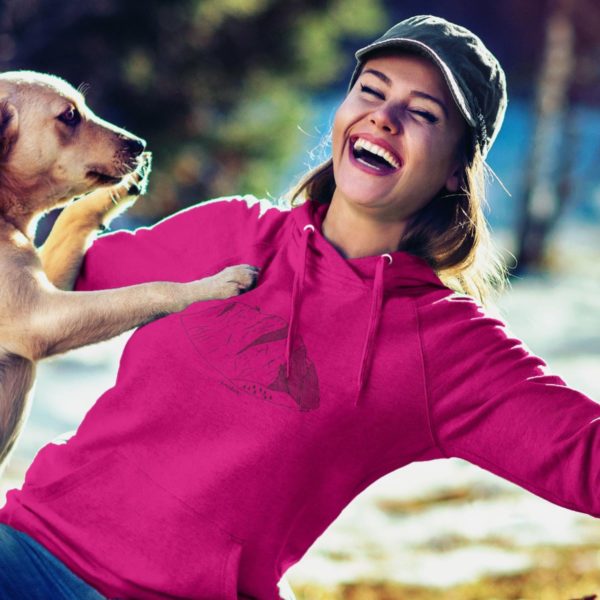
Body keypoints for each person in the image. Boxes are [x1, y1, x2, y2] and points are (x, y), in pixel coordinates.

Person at [1, 14, 598, 600]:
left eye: (421, 113)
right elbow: (56, 299)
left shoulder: (442, 343)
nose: (383, 118)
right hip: (25, 549)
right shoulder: (231, 229)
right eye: (371, 91)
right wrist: (81, 215)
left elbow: (584, 458)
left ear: (454, 171)